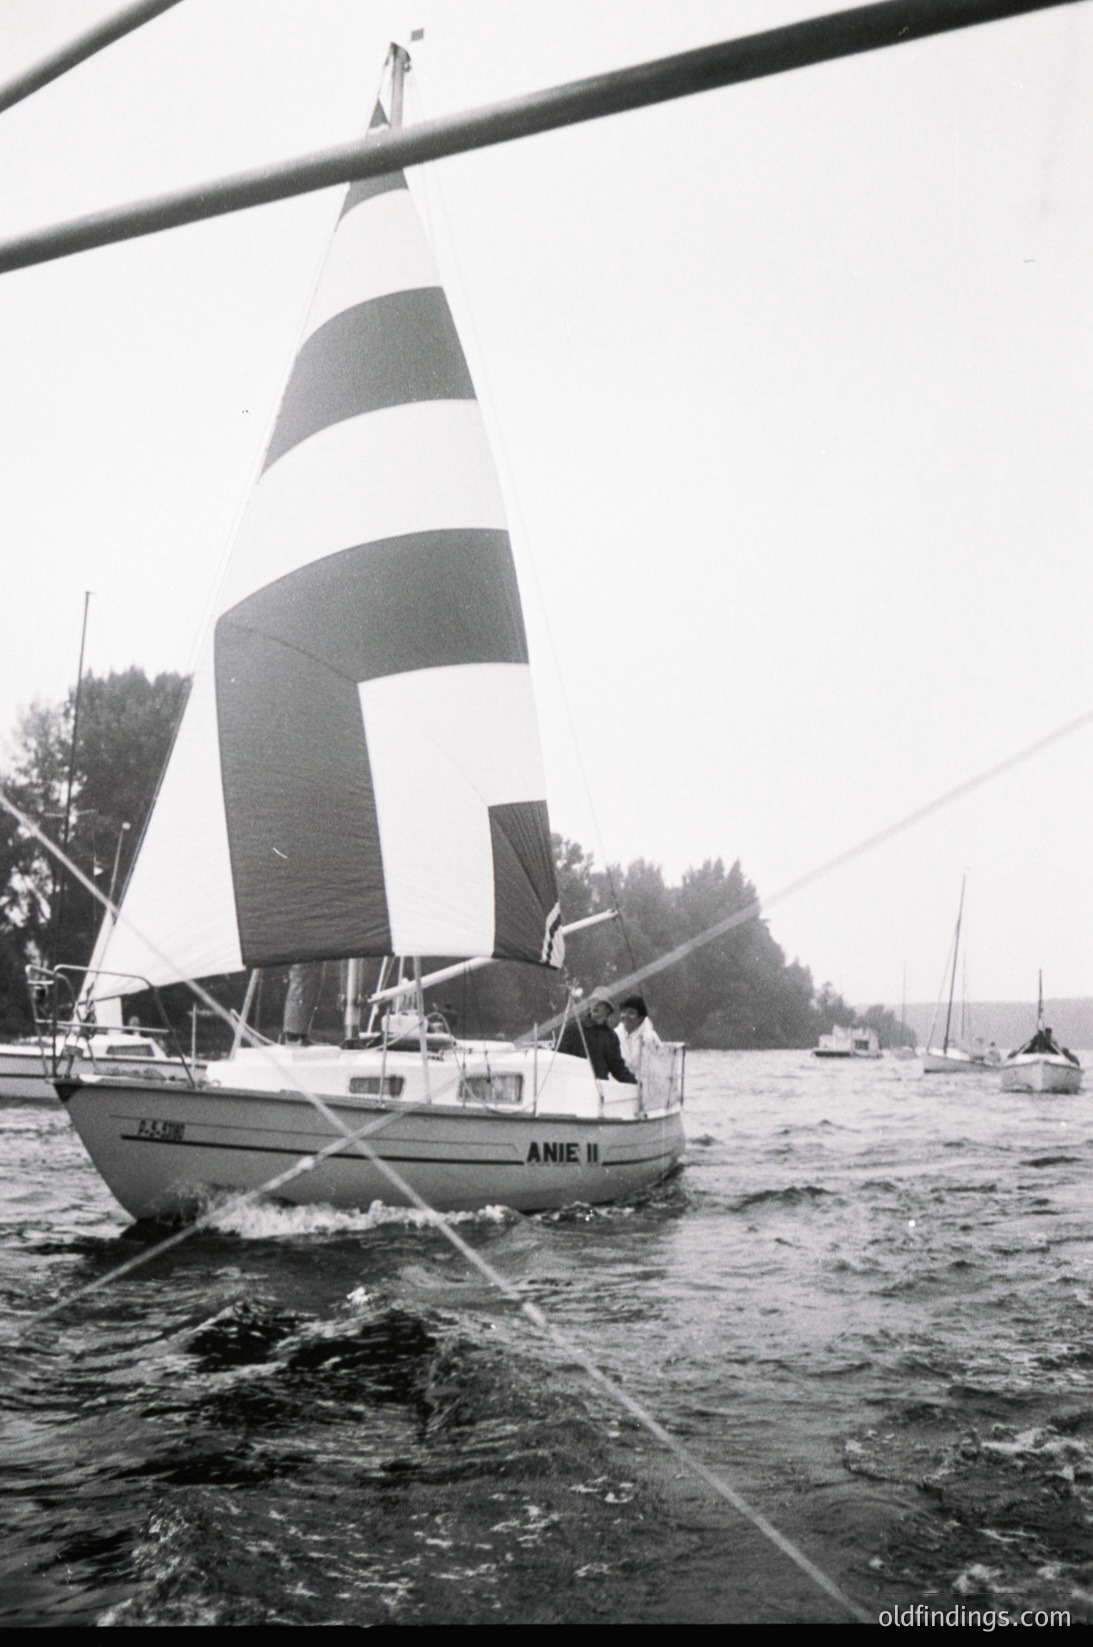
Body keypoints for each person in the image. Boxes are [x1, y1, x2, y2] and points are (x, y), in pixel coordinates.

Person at [558, 986, 636, 1082]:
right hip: (576, 1087)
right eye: (592, 1001)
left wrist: (635, 1084)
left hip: (600, 1091)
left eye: (600, 1003)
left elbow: (617, 1068)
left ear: (608, 1009)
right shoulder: (574, 1030)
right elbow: (560, 1058)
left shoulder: (611, 1037)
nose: (595, 1005)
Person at [616, 993, 661, 1076]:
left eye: (631, 1013)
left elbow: (659, 1069)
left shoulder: (651, 1038)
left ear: (641, 1017)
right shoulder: (615, 1035)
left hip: (645, 1085)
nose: (626, 1016)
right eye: (624, 1012)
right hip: (619, 1085)